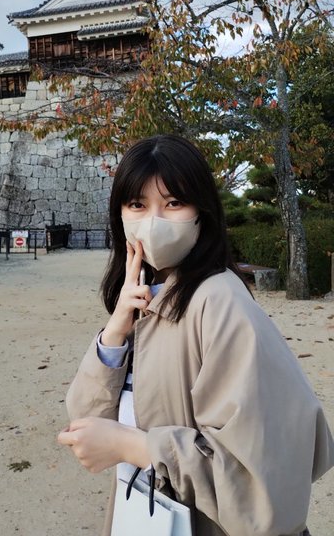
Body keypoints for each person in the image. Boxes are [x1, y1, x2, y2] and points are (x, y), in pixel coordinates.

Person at [57, 135, 334, 536]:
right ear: (119, 213)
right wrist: (116, 329)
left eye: (173, 203)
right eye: (137, 205)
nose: (153, 221)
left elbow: (261, 476)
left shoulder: (220, 301)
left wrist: (135, 447)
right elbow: (86, 424)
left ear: (201, 212)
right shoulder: (145, 296)